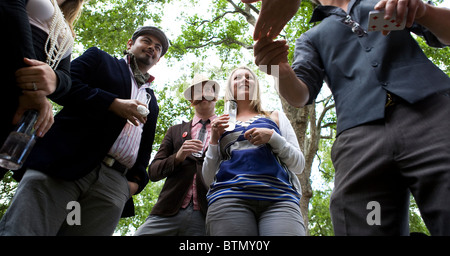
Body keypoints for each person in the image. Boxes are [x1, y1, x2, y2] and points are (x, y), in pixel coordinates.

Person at [254, 0, 450, 235]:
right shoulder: (311, 38)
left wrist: (423, 10)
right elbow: (301, 94)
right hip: (359, 139)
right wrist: (277, 68)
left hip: (432, 117)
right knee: (367, 222)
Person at [0, 26, 169, 236]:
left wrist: (134, 183)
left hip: (112, 186)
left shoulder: (151, 101)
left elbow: (145, 147)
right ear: (130, 44)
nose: (152, 47)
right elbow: (62, 87)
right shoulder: (99, 59)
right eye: (146, 41)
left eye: (158, 48)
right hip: (63, 165)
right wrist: (112, 103)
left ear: (159, 59)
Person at [0, 0, 107, 178]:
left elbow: (66, 80)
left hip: (19, 110)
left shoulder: (66, 31)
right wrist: (36, 89)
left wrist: (55, 80)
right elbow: (9, 5)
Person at [202, 66, 305, 236]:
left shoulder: (275, 116)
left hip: (280, 199)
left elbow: (299, 165)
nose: (244, 80)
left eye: (248, 77)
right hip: (228, 198)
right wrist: (213, 139)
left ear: (256, 85)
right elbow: (208, 178)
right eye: (237, 78)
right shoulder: (220, 123)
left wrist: (273, 137)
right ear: (230, 88)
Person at [134, 74, 220, 236]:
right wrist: (178, 156)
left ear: (215, 97)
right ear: (191, 100)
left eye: (208, 90)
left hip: (207, 214)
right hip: (166, 210)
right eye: (198, 91)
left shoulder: (226, 130)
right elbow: (153, 172)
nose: (204, 94)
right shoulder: (175, 131)